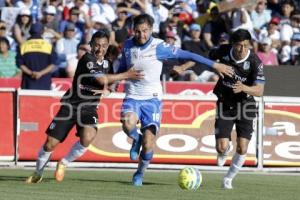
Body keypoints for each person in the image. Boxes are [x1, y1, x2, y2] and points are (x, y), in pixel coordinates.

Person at [117, 14, 234, 186]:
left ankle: (139, 173)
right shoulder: (127, 45)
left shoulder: (159, 47)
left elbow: (190, 55)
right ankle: (136, 139)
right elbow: (123, 66)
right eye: (137, 31)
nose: (141, 35)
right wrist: (115, 81)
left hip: (152, 99)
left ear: (151, 30)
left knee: (149, 144)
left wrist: (215, 65)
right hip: (133, 95)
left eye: (145, 31)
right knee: (128, 124)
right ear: (132, 30)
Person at [25, 29, 144, 183]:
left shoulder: (108, 63)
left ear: (107, 46)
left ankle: (64, 163)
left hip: (89, 108)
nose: (100, 49)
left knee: (88, 137)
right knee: (50, 143)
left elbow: (112, 81)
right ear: (90, 45)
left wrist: (111, 89)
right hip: (70, 106)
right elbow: (102, 80)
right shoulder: (87, 59)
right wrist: (126, 75)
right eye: (96, 45)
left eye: (103, 46)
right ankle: (38, 172)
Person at [209, 29, 265, 189]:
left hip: (246, 105)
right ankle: (224, 150)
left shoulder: (255, 62)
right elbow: (204, 59)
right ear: (233, 44)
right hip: (225, 104)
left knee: (243, 147)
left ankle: (228, 179)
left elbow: (260, 91)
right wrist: (214, 67)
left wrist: (244, 88)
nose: (242, 49)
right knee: (221, 147)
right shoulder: (223, 51)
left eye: (246, 46)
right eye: (239, 45)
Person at [16, 22, 56, 90]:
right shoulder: (48, 46)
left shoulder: (23, 46)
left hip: (28, 83)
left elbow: (20, 64)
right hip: (44, 83)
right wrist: (40, 73)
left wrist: (31, 73)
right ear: (42, 32)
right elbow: (52, 65)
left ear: (30, 32)